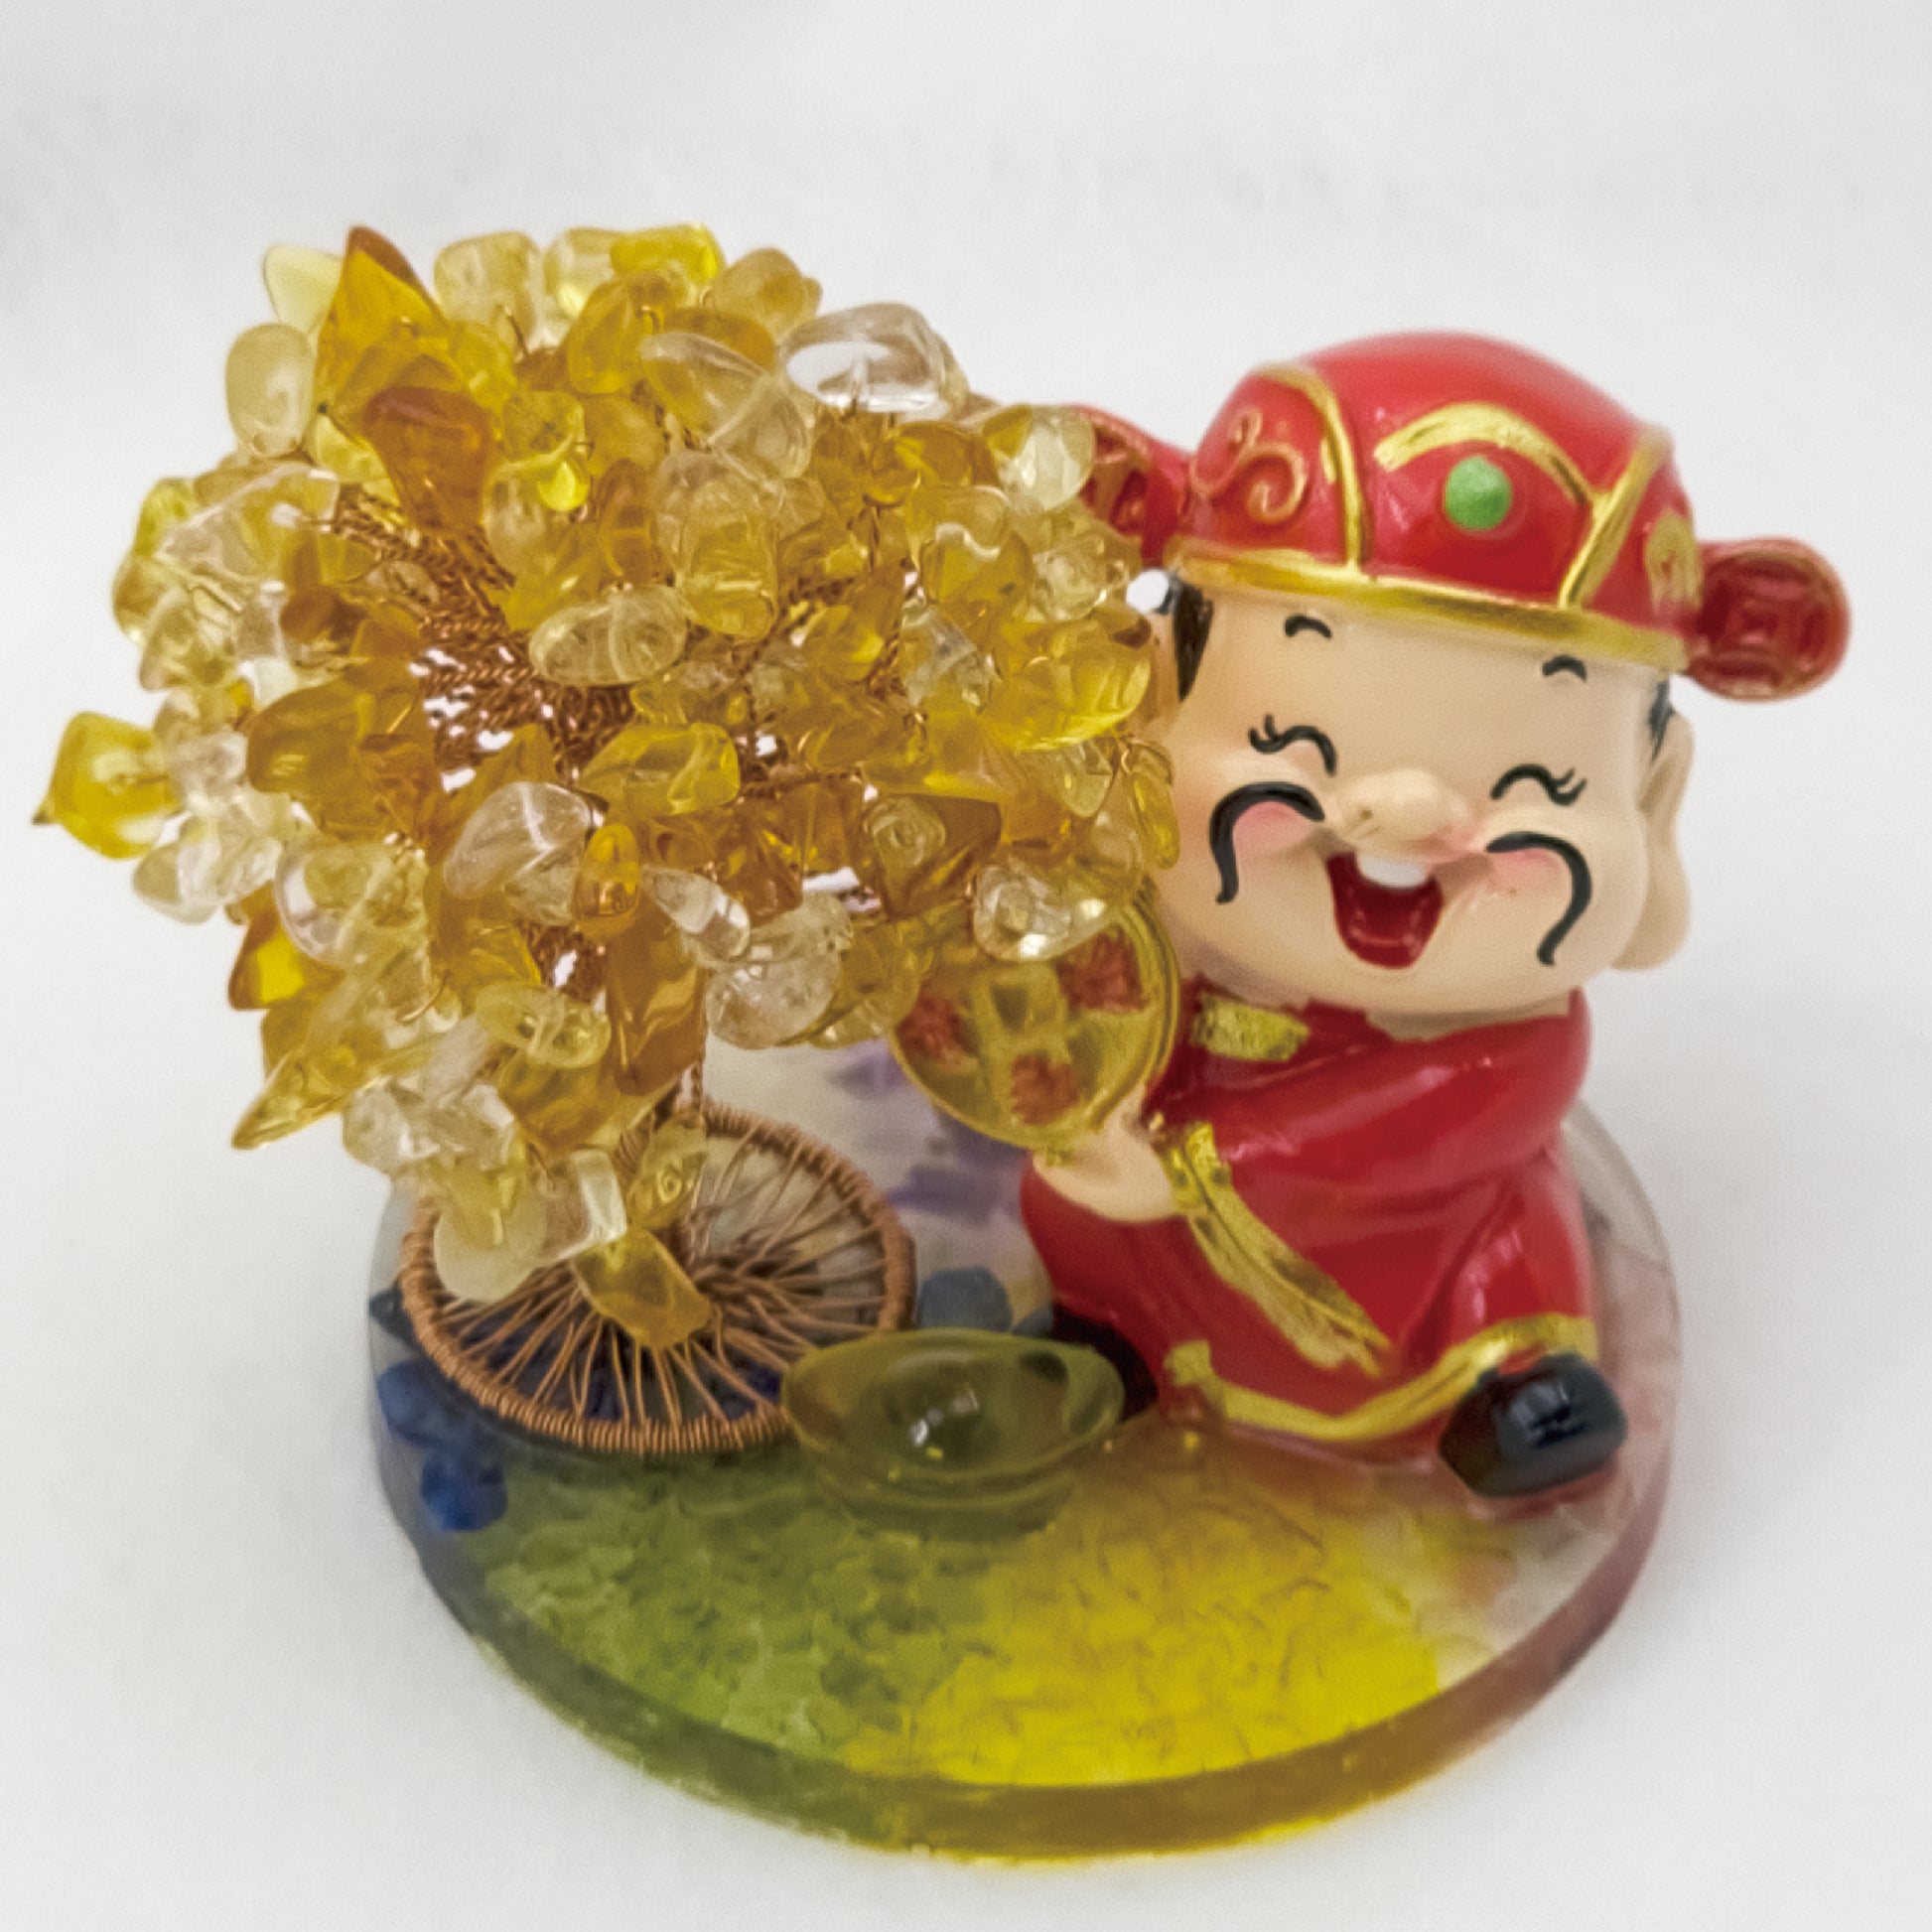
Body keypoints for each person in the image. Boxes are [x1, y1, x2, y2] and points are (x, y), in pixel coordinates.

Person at [1022, 334, 1848, 1497]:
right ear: (1149, 706)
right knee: (1076, 1205)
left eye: (1536, 785)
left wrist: (1198, 1161)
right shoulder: (1171, 946)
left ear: (1651, 798)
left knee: (1501, 1258)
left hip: (1416, 1245)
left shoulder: (1514, 1040)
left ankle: (1509, 1391)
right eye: (1290, 744)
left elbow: (1416, 1124)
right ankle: (1111, 1337)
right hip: (1174, 1189)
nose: (1406, 818)